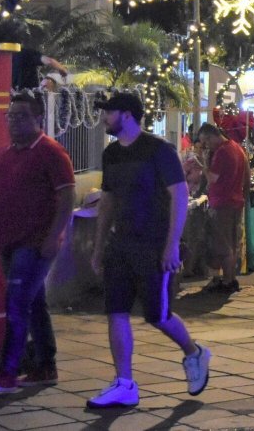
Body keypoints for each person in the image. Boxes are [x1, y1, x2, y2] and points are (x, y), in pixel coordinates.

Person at [89, 93, 211, 408]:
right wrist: (99, 246)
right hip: (121, 243)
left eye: (109, 112)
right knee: (115, 311)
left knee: (157, 315)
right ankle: (125, 383)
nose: (105, 118)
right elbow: (108, 200)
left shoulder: (159, 151)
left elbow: (180, 195)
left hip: (153, 244)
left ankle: (194, 352)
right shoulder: (112, 153)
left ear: (127, 115)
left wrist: (171, 244)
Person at [0, 92, 76, 393]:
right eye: (10, 116)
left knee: (16, 305)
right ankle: (45, 365)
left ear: (38, 118)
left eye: (21, 116)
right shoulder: (5, 153)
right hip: (8, 242)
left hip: (35, 243)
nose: (14, 122)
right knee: (34, 302)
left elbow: (67, 196)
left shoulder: (51, 152)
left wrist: (55, 235)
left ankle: (9, 371)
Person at [198, 123, 247, 293]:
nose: (206, 146)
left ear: (211, 136)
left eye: (206, 142)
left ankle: (227, 280)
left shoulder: (222, 153)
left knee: (223, 245)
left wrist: (204, 163)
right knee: (231, 243)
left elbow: (212, 178)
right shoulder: (236, 148)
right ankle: (229, 278)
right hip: (235, 200)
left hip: (222, 203)